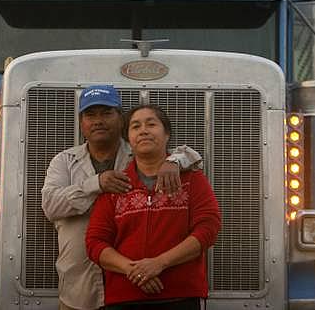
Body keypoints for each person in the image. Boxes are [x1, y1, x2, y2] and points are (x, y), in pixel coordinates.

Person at [41, 86, 202, 310]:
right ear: (81, 123)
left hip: (137, 289)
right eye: (90, 115)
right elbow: (50, 205)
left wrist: (174, 161)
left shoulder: (139, 153)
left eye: (106, 113)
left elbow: (191, 156)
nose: (98, 121)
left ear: (121, 120)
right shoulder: (64, 161)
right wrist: (96, 184)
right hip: (79, 289)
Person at [86, 104, 221, 310]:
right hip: (124, 298)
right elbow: (95, 242)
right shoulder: (116, 186)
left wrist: (159, 263)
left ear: (167, 135)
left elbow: (208, 229)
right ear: (128, 140)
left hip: (181, 297)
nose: (143, 131)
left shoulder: (192, 180)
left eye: (151, 124)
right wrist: (135, 271)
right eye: (135, 126)